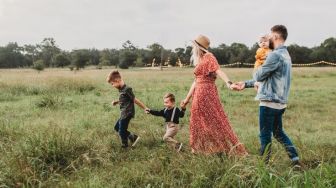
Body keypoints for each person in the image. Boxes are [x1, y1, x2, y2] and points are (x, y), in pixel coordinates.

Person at [232, 25, 303, 168]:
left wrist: (259, 61)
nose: (268, 39)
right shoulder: (285, 54)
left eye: (270, 36)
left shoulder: (274, 55)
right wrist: (245, 84)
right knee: (278, 132)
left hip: (269, 102)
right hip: (280, 102)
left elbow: (259, 75)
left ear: (276, 37)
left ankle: (263, 166)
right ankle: (295, 159)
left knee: (265, 135)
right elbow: (269, 79)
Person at [181, 35, 248, 155]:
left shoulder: (209, 56)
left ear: (198, 47)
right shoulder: (201, 59)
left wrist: (229, 83)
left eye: (193, 46)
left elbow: (218, 70)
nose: (192, 48)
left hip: (206, 92)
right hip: (199, 92)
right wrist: (186, 99)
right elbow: (196, 81)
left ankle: (221, 147)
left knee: (215, 120)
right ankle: (200, 148)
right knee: (197, 120)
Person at [107, 70, 148, 148]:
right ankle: (132, 138)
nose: (112, 85)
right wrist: (116, 102)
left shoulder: (127, 89)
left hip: (127, 113)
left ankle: (125, 145)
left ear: (117, 80)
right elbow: (125, 99)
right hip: (123, 113)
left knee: (122, 130)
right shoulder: (122, 89)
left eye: (112, 83)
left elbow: (134, 100)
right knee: (117, 127)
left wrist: (145, 108)